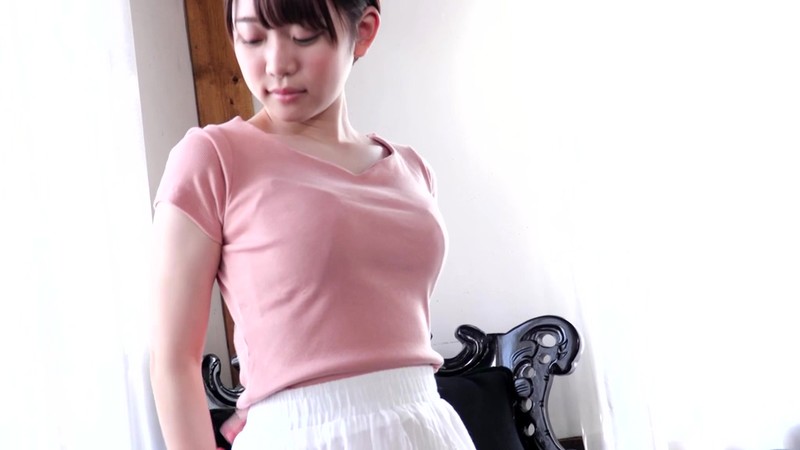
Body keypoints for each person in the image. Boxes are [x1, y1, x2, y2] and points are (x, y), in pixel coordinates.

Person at [149, 0, 475, 448]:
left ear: (364, 31)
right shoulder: (212, 159)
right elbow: (173, 361)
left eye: (303, 35)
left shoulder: (413, 170)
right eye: (253, 37)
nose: (277, 63)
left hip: (428, 426)